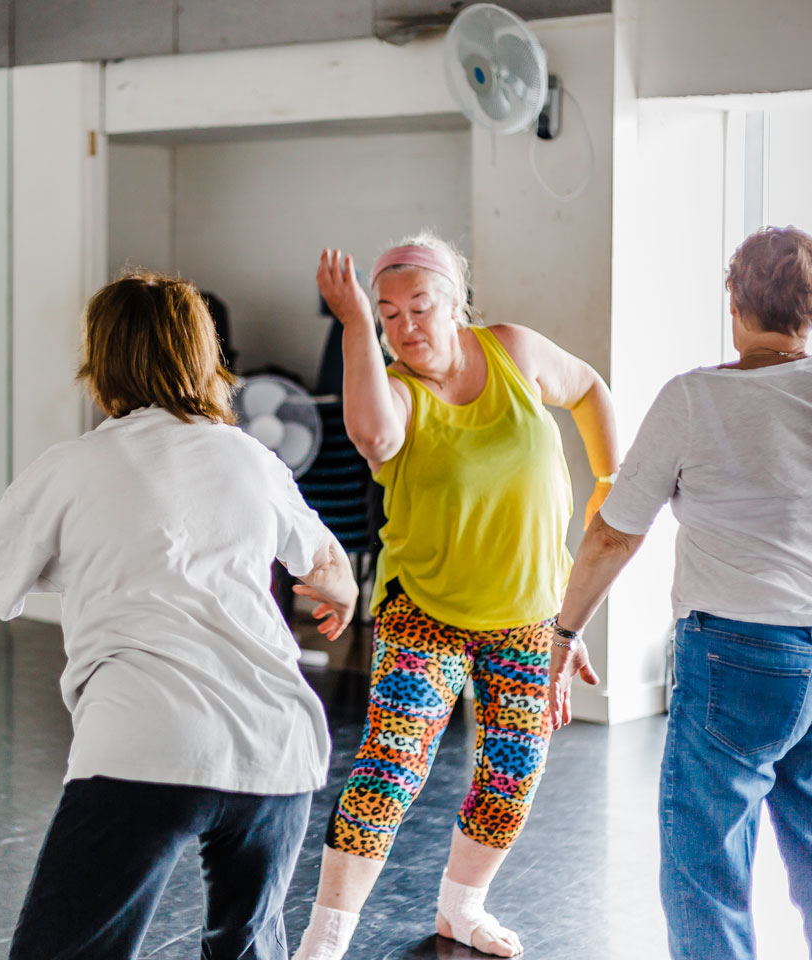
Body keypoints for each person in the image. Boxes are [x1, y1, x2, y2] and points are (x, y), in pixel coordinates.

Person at [0, 270, 359, 960]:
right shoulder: (252, 459)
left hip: (149, 742)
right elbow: (331, 571)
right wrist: (334, 595)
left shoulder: (74, 466)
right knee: (247, 949)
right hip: (278, 746)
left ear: (102, 361)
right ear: (203, 356)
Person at [549, 226, 812, 960]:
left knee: (707, 867)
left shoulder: (693, 398)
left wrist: (565, 632)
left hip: (738, 656)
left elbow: (614, 534)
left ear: (733, 302)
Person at [295, 231, 620, 959]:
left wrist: (610, 482)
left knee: (512, 771)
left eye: (421, 307)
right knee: (391, 767)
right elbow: (374, 440)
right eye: (388, 315)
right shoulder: (397, 389)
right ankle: (324, 941)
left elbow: (590, 387)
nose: (406, 327)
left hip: (531, 614)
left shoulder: (514, 351)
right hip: (427, 612)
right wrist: (351, 325)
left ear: (456, 304)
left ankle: (462, 910)